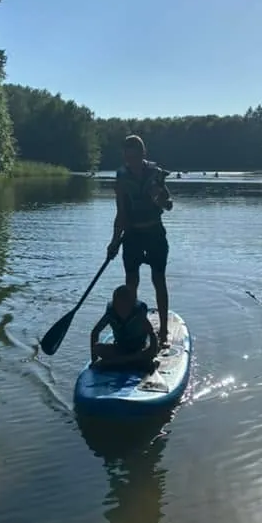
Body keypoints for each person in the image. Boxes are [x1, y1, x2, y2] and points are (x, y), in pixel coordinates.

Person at [106, 134, 173, 346]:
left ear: (143, 154)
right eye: (127, 158)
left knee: (158, 280)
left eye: (135, 157)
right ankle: (131, 331)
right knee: (131, 284)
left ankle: (163, 332)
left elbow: (169, 205)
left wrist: (159, 197)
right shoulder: (122, 177)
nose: (131, 162)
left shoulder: (156, 174)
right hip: (132, 236)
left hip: (154, 233)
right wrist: (114, 241)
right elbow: (121, 213)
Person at [91, 285, 158, 369]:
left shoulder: (139, 313)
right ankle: (126, 361)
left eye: (124, 305)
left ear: (131, 303)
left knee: (148, 354)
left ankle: (117, 362)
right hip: (120, 348)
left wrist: (152, 352)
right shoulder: (110, 313)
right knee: (98, 348)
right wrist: (94, 360)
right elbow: (95, 332)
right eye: (118, 305)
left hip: (138, 349)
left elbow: (152, 333)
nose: (121, 308)